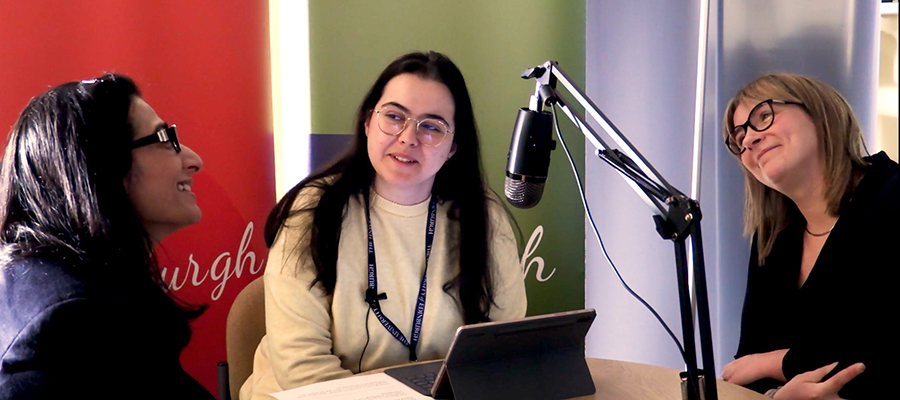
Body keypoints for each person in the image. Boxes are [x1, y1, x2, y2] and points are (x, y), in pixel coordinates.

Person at [240, 51, 527, 399]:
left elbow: (504, 349)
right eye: (393, 117)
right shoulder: (314, 212)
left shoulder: (483, 217)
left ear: (453, 147)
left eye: (432, 127)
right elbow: (302, 369)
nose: (408, 138)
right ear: (367, 123)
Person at [0, 74, 214, 399]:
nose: (193, 160)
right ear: (99, 164)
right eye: (163, 138)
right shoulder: (76, 322)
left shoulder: (66, 284)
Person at [720, 73, 898, 399]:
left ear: (820, 112)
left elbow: (882, 347)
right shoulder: (772, 239)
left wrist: (780, 362)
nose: (748, 140)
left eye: (763, 116)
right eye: (739, 136)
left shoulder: (891, 195)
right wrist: (778, 396)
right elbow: (743, 370)